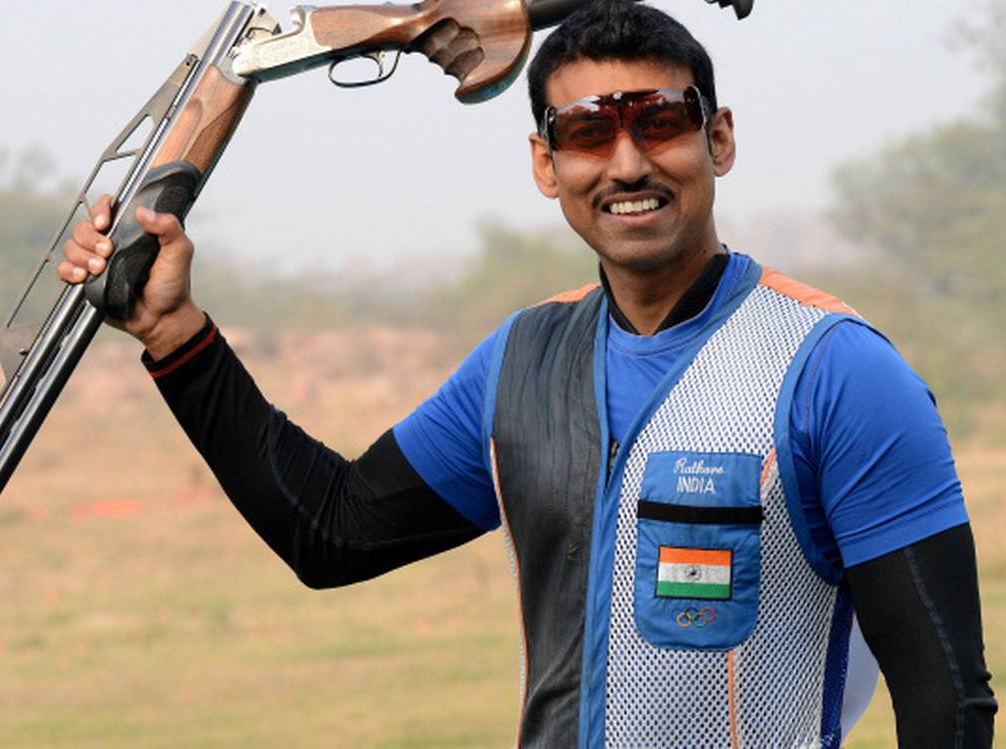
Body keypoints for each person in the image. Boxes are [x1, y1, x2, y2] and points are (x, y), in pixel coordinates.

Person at [57, 1, 995, 745]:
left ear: (720, 141)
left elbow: (947, 703)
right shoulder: (519, 362)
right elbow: (330, 531)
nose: (628, 161)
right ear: (547, 165)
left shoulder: (834, 369)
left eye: (662, 121)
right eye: (588, 133)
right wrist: (174, 332)